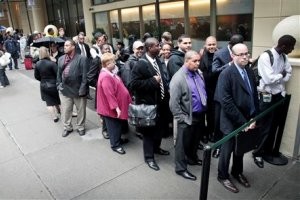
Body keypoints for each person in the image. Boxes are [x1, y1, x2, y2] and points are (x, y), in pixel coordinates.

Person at [217, 43, 259, 193]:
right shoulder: (226, 74)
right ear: (233, 56)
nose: (245, 57)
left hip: (247, 119)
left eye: (246, 53)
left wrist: (254, 117)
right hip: (231, 120)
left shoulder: (248, 70)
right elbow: (226, 102)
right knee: (226, 150)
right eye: (240, 54)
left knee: (240, 149)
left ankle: (236, 172)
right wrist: (243, 122)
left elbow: (253, 94)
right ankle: (222, 175)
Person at [252, 35, 296, 168]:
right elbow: (268, 79)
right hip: (267, 96)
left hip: (278, 95)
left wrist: (279, 76)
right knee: (265, 127)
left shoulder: (284, 56)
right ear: (284, 46)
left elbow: (289, 73)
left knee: (274, 125)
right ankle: (257, 153)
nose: (292, 49)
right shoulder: (266, 56)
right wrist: (281, 75)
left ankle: (267, 150)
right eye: (291, 47)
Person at [130, 37, 170, 171]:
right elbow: (133, 84)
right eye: (157, 46)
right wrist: (152, 81)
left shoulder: (158, 60)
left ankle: (157, 148)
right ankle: (149, 158)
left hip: (161, 103)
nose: (160, 48)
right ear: (149, 48)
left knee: (159, 129)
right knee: (148, 133)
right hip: (148, 105)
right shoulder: (140, 64)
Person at [169, 50, 207, 181]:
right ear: (186, 61)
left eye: (199, 61)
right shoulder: (178, 78)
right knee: (181, 145)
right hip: (187, 117)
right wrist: (182, 119)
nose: (198, 64)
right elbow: (173, 104)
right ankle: (180, 168)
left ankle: (192, 159)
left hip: (199, 115)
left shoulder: (198, 73)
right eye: (195, 61)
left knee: (195, 141)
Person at [212, 34, 244, 158]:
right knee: (219, 123)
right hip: (221, 95)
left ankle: (230, 146)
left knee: (230, 125)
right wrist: (230, 64)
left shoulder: (242, 53)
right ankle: (217, 146)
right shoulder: (219, 54)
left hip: (236, 96)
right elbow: (214, 71)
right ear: (231, 45)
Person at [96, 52, 132, 155]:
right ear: (107, 64)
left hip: (112, 107)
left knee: (116, 126)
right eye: (113, 62)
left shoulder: (107, 73)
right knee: (114, 127)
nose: (115, 63)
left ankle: (117, 141)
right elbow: (109, 94)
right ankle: (115, 145)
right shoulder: (106, 76)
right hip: (110, 109)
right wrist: (116, 108)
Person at [57, 39, 88, 137]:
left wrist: (83, 89)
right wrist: (59, 84)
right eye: (64, 45)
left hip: (78, 90)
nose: (64, 47)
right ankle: (67, 127)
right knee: (66, 110)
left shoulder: (82, 58)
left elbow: (85, 76)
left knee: (81, 110)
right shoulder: (61, 59)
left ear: (73, 46)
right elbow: (58, 74)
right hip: (65, 90)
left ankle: (81, 127)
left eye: (67, 45)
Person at [199, 36, 218, 144]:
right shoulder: (201, 56)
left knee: (212, 114)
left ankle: (211, 132)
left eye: (213, 44)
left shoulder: (219, 55)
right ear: (205, 45)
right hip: (203, 89)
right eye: (209, 44)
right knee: (202, 114)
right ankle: (203, 134)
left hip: (215, 90)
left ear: (216, 44)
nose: (211, 46)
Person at [34, 47, 61, 122]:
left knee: (49, 103)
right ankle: (59, 111)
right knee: (56, 99)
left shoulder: (37, 64)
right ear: (47, 53)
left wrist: (42, 80)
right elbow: (58, 74)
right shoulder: (52, 63)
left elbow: (36, 76)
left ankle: (54, 117)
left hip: (43, 85)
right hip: (53, 84)